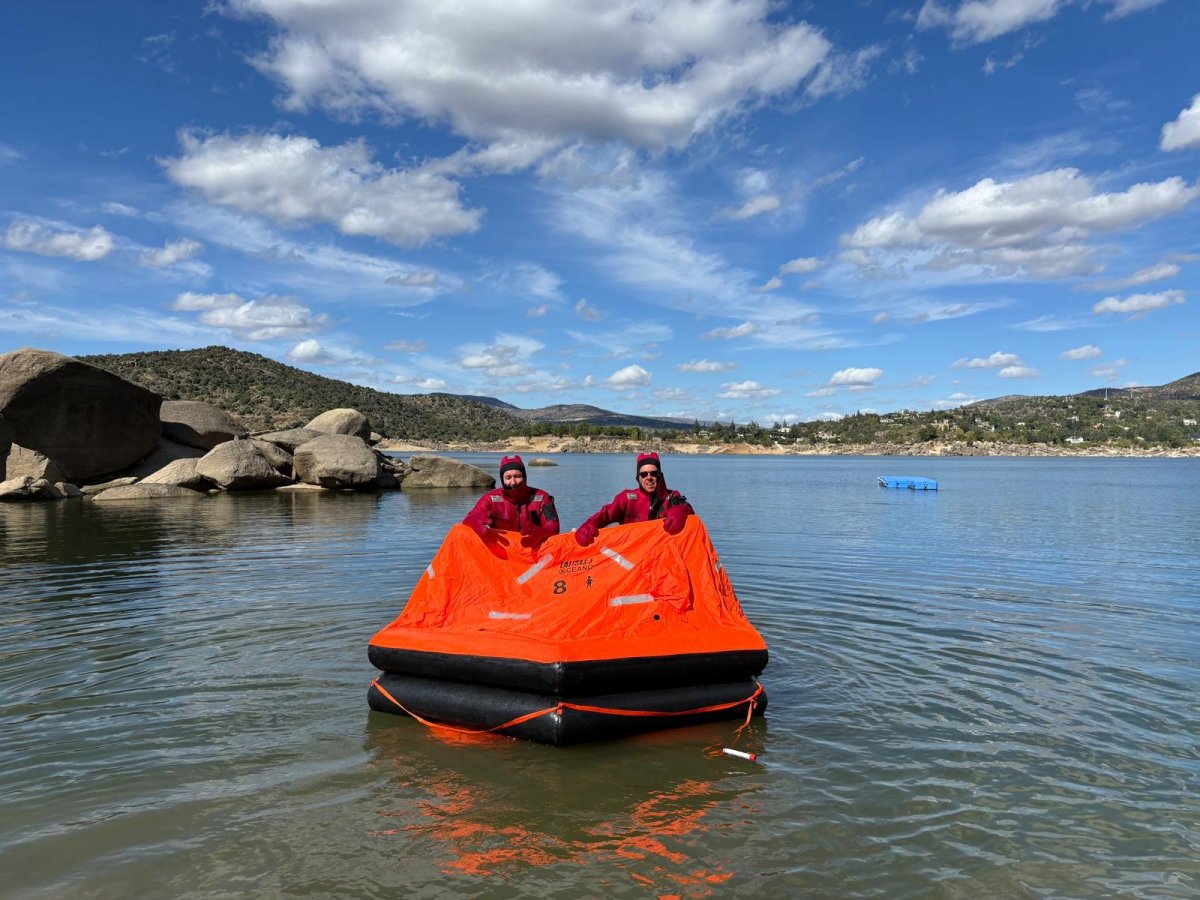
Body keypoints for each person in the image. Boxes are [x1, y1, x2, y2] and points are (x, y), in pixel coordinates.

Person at [574, 451, 694, 547]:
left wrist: (681, 512)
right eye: (644, 474)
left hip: (663, 560)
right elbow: (605, 515)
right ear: (638, 478)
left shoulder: (672, 496)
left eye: (653, 473)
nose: (649, 477)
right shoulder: (627, 498)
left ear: (660, 475)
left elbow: (689, 511)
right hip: (632, 561)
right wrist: (589, 524)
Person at [462, 455, 560, 549]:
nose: (513, 482)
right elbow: (470, 518)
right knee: (459, 531)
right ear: (502, 479)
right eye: (508, 478)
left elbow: (553, 525)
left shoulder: (542, 497)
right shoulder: (490, 498)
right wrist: (474, 521)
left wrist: (543, 532)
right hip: (503, 551)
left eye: (517, 476)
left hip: (534, 549)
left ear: (524, 477)